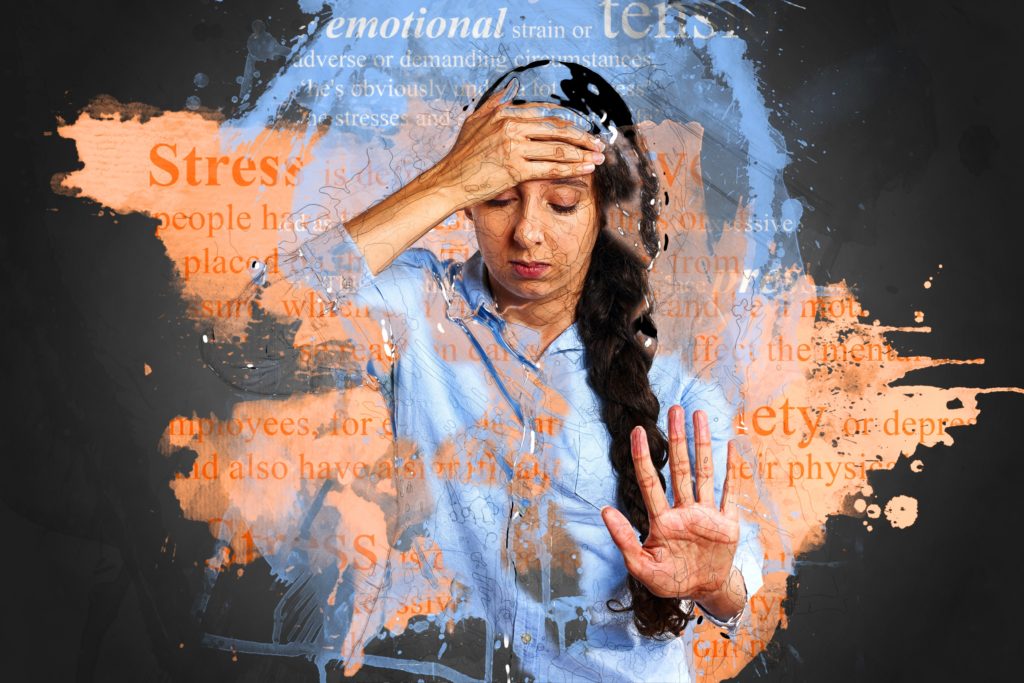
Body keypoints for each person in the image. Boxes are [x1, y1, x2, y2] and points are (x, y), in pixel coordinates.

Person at [279, 60, 763, 683]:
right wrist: (444, 182)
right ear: (468, 206)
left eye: (562, 204)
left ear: (600, 213)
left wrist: (715, 582)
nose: (527, 232)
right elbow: (260, 328)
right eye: (498, 197)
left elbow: (740, 580)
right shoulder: (414, 306)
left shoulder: (678, 389)